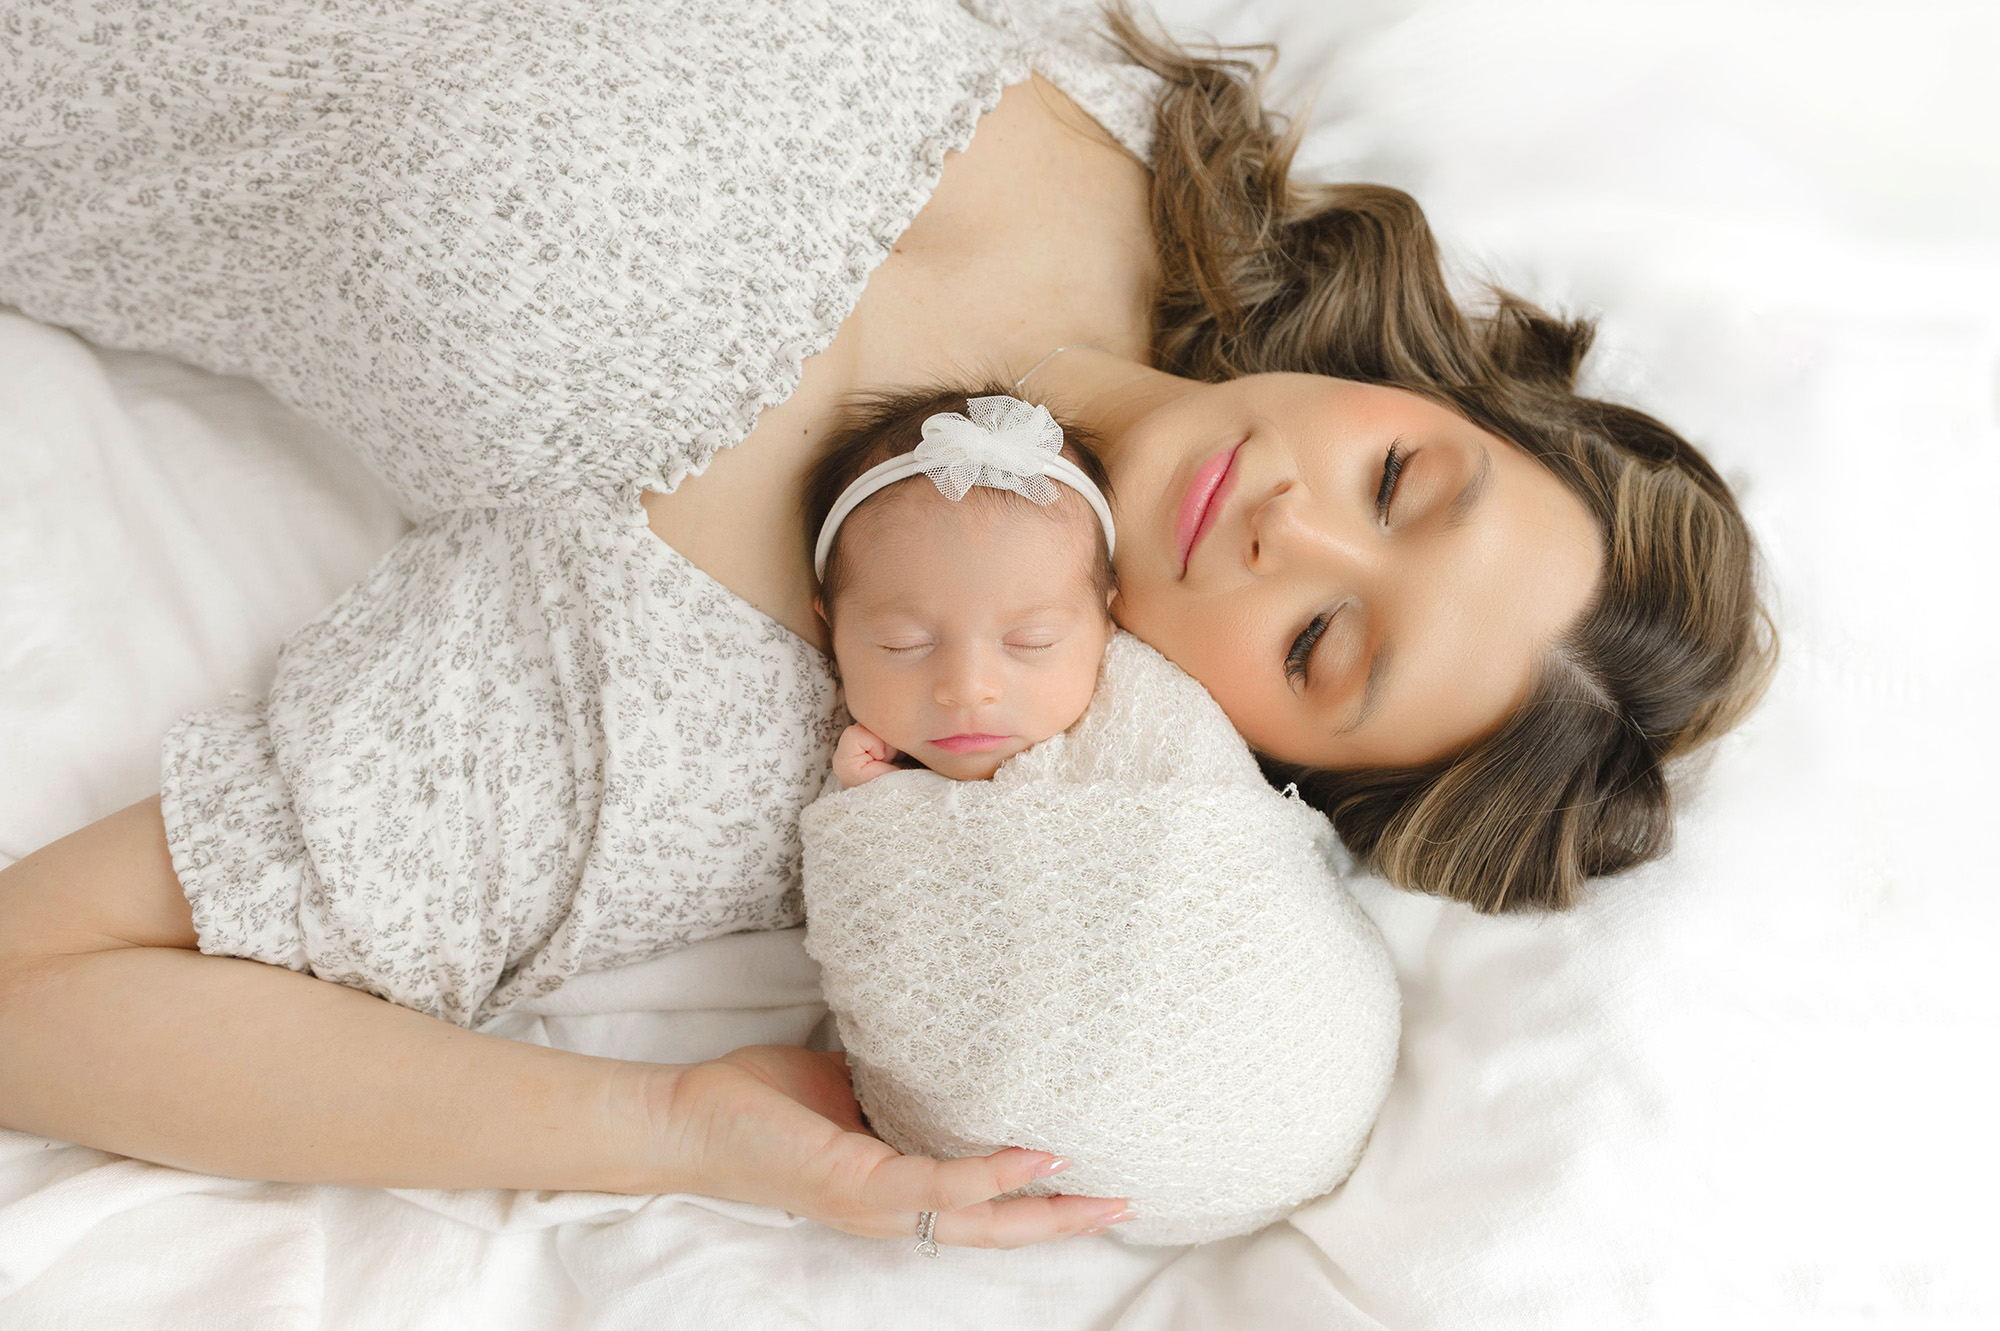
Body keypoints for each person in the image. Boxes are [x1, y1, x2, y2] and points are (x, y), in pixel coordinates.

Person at [0, 0, 1773, 1253]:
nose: (1294, 526)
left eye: (1324, 645)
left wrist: (673, 1137)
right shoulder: (1139, 133)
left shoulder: (715, 701)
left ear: (1260, 761)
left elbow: (33, 996)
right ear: (1421, 390)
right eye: (1400, 481)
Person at [806, 388, 1119, 789]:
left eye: (1032, 641)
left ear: (1107, 621)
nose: (968, 690)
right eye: (903, 643)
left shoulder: (1145, 723)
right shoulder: (852, 776)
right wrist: (881, 797)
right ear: (831, 629)